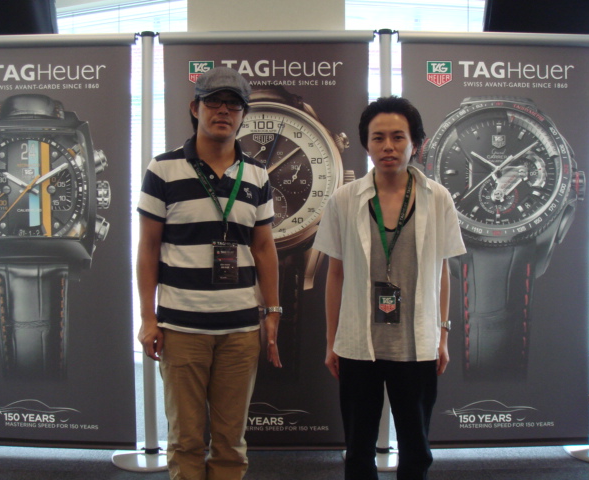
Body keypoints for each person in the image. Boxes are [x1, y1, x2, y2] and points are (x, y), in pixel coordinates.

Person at [136, 67, 282, 480]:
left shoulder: (257, 175)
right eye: (213, 101)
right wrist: (148, 317)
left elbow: (263, 248)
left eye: (234, 104)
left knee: (231, 442)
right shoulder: (163, 170)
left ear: (243, 115)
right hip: (181, 329)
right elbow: (147, 248)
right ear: (194, 108)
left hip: (240, 331)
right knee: (185, 440)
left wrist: (272, 311)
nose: (223, 111)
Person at [313, 96, 466, 480]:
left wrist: (442, 336)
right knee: (358, 451)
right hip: (357, 345)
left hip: (416, 344)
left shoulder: (437, 198)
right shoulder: (344, 199)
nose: (388, 147)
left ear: (416, 143)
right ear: (366, 143)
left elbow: (442, 271)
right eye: (378, 138)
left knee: (416, 449)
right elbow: (335, 274)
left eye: (398, 137)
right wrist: (332, 341)